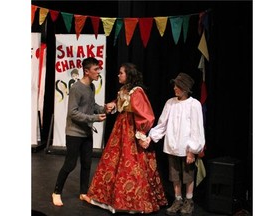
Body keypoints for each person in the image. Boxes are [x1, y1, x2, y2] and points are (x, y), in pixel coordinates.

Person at [86, 63, 168, 214]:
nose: (118, 75)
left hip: (130, 128)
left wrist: (141, 133)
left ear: (128, 75)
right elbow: (121, 104)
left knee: (132, 162)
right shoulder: (123, 90)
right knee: (114, 161)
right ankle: (109, 199)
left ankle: (134, 202)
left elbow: (146, 114)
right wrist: (113, 105)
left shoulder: (137, 92)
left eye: (121, 73)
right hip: (120, 127)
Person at [52, 57, 109, 206]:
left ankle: (83, 193)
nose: (98, 72)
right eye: (96, 69)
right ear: (86, 71)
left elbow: (91, 105)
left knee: (87, 163)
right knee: (70, 164)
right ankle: (56, 192)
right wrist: (94, 118)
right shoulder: (76, 88)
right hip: (74, 133)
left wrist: (103, 109)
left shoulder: (90, 87)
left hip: (86, 132)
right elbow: (73, 112)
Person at [146, 72, 205, 216]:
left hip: (186, 148)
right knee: (175, 175)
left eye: (177, 86)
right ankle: (178, 199)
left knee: (188, 175)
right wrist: (151, 137)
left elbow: (197, 128)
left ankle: (188, 200)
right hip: (172, 145)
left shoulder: (194, 104)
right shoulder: (170, 102)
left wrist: (192, 150)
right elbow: (162, 124)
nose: (174, 89)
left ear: (185, 89)